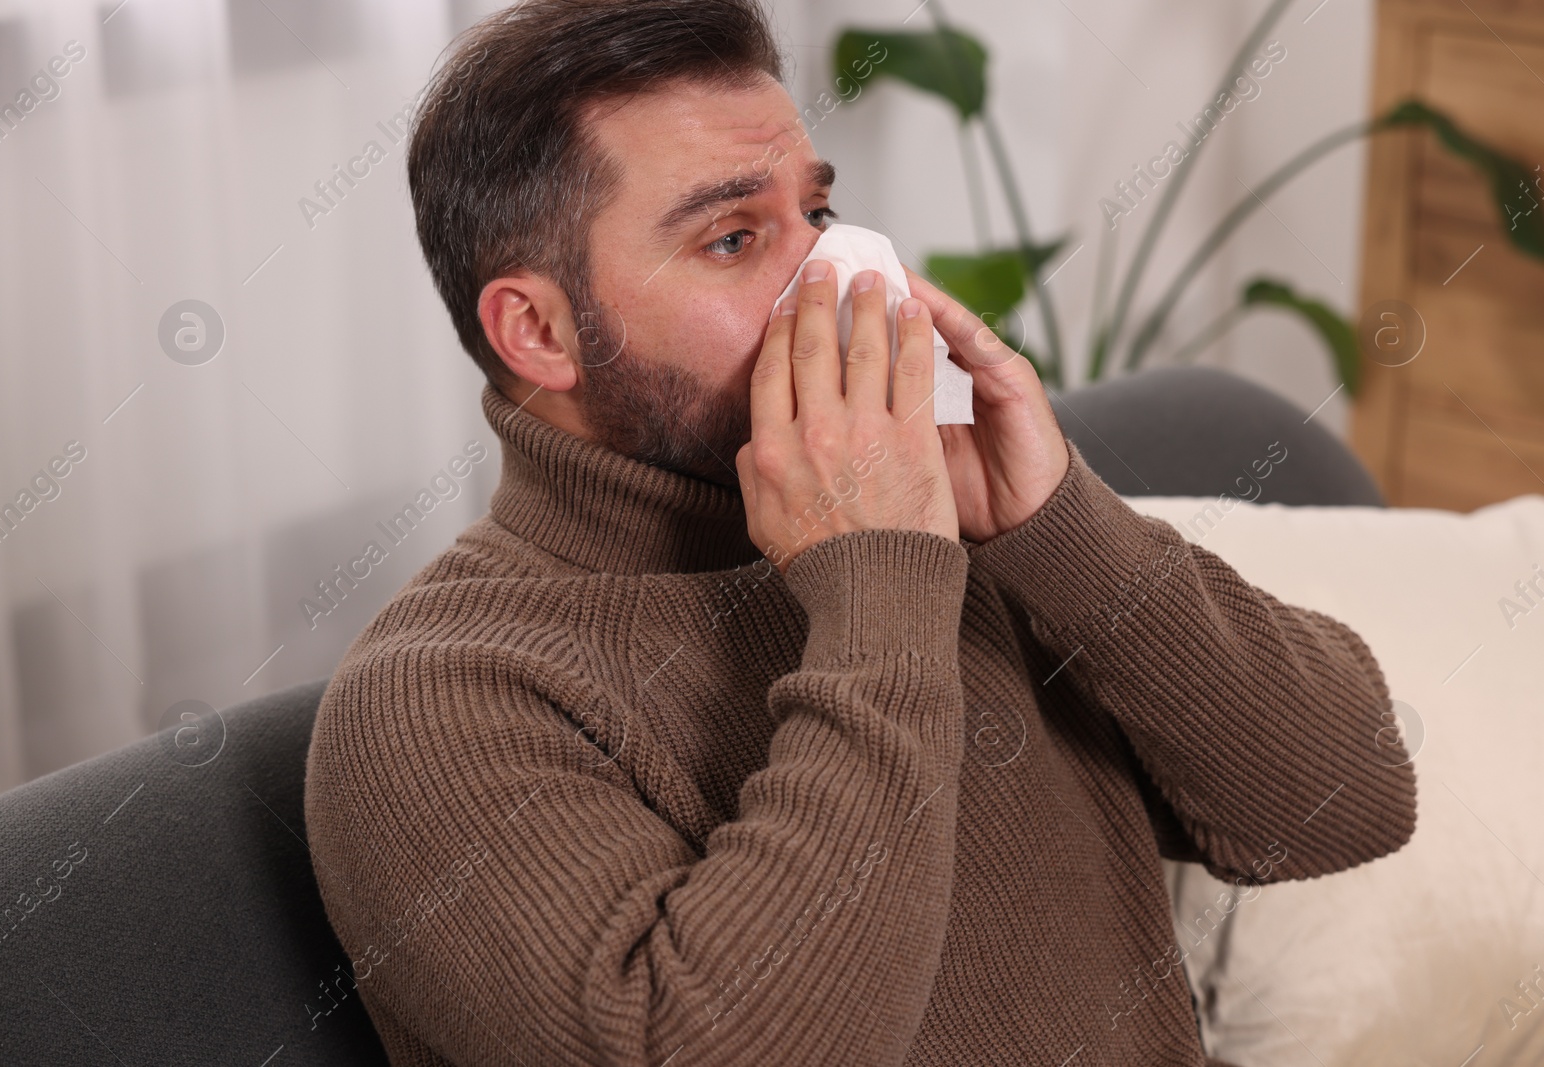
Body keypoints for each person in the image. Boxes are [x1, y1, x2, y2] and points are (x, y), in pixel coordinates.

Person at [302, 1, 1418, 1063]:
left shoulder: (950, 523)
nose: (841, 281)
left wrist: (1058, 524)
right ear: (539, 331)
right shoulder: (437, 703)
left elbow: (1345, 800)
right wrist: (878, 586)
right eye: (735, 238)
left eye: (819, 216)